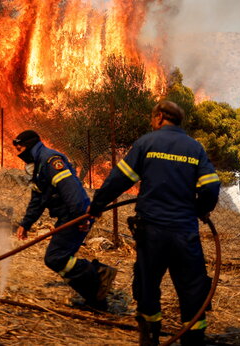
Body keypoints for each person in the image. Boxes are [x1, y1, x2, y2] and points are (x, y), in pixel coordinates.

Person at [88, 100, 220, 346]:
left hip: (152, 231)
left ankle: (150, 336)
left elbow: (119, 179)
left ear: (159, 117)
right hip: (184, 231)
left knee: (147, 282)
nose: (152, 122)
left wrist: (96, 206)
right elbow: (211, 186)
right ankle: (193, 337)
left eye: (152, 118)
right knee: (193, 286)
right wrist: (201, 210)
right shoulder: (195, 148)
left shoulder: (147, 143)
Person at [12, 130, 117, 311]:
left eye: (20, 148)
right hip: (69, 215)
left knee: (55, 258)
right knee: (61, 259)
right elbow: (37, 200)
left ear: (29, 145)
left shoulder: (50, 160)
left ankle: (100, 273)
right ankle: (96, 300)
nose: (18, 153)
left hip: (75, 214)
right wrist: (26, 223)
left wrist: (79, 217)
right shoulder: (38, 165)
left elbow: (71, 191)